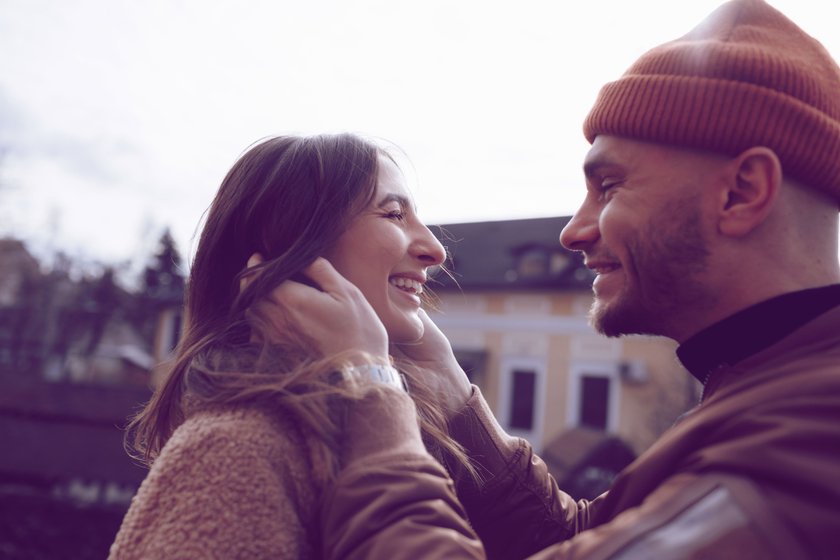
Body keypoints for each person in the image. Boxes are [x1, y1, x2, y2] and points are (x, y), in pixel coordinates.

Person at [267, 1, 840, 558]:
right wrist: (444, 377)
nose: (572, 232)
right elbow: (574, 542)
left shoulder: (803, 444)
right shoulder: (763, 392)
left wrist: (370, 391)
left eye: (609, 186)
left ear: (741, 193)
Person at [108, 133, 480, 558]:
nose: (436, 250)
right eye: (394, 213)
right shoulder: (237, 449)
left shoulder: (401, 434)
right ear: (296, 241)